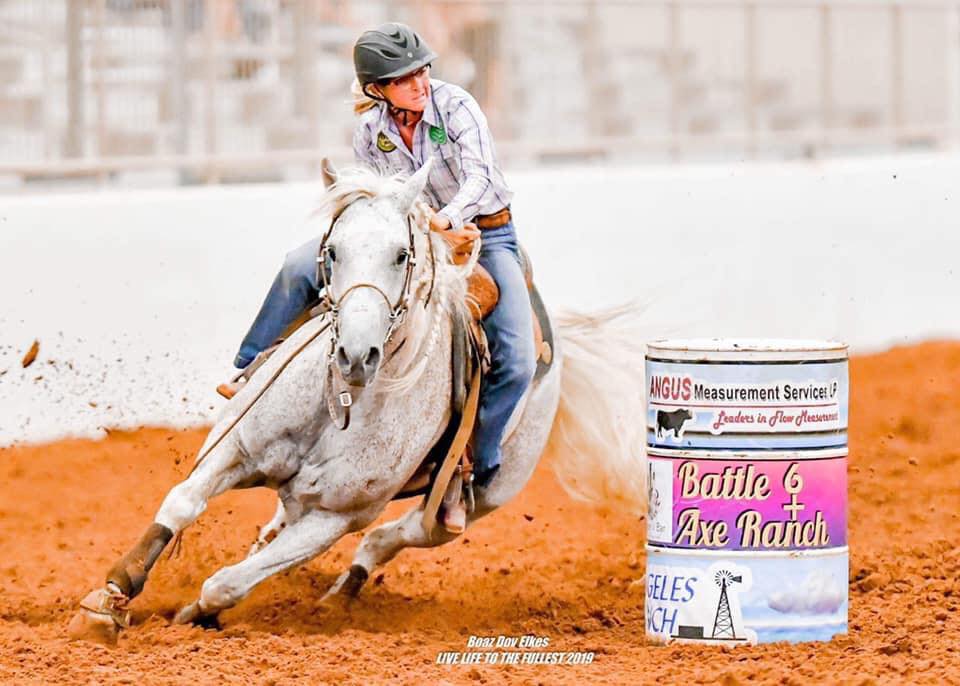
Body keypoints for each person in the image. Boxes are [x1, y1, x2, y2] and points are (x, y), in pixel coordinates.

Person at [220, 22, 536, 532]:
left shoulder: (455, 107)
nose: (420, 81)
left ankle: (473, 466)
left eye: (421, 70)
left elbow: (481, 175)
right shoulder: (370, 131)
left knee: (517, 359)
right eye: (404, 77)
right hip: (411, 237)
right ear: (377, 89)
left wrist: (448, 219)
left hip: (485, 234)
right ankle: (251, 368)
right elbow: (377, 196)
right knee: (300, 267)